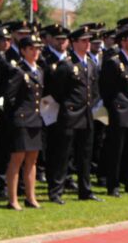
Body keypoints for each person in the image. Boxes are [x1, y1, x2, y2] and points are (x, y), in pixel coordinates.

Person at [47, 26, 103, 204]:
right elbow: (57, 92)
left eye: (89, 40)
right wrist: (69, 106)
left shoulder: (91, 63)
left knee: (85, 155)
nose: (87, 44)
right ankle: (56, 191)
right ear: (74, 43)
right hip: (70, 115)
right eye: (83, 41)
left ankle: (85, 190)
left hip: (86, 114)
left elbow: (94, 90)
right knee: (63, 155)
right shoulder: (67, 64)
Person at [100, 24, 128, 197]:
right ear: (123, 41)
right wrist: (114, 108)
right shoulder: (114, 62)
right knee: (116, 150)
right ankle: (113, 184)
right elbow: (106, 90)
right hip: (119, 111)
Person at [3, 35, 45, 210]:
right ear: (23, 51)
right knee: (17, 159)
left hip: (35, 119)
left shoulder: (39, 71)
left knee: (32, 159)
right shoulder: (19, 71)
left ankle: (31, 197)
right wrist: (15, 117)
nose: (35, 52)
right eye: (31, 49)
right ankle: (13, 199)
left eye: (37, 48)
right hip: (21, 120)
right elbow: (9, 97)